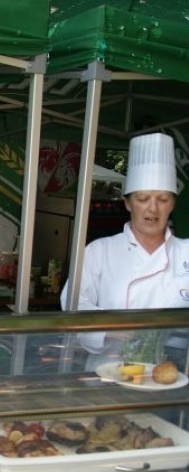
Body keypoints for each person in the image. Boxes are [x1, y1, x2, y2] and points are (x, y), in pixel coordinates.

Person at [61, 132, 189, 365]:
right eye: (142, 199)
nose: (153, 209)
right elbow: (73, 304)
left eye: (162, 199)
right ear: (128, 203)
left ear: (172, 204)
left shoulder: (186, 252)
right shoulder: (99, 251)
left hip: (173, 375)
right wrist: (112, 325)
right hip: (108, 372)